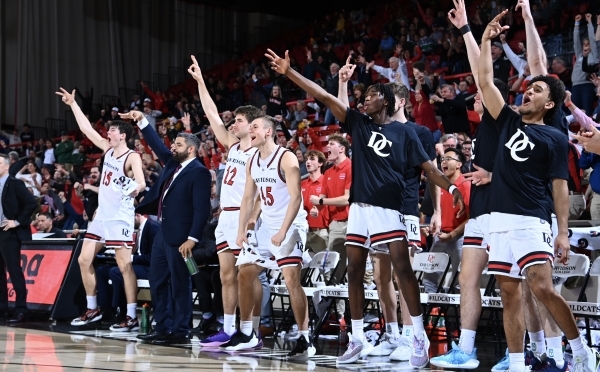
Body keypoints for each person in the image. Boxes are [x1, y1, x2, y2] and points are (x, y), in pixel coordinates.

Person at [264, 48, 464, 368]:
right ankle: (358, 337)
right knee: (355, 272)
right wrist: (289, 72)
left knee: (402, 269)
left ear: (385, 101)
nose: (363, 100)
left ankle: (417, 335)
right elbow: (323, 96)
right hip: (359, 208)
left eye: (369, 95)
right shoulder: (358, 123)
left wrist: (452, 188)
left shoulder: (407, 133)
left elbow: (429, 169)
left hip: (389, 208)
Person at [479, 10, 598, 372]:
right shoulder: (508, 120)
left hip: (532, 217)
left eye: (537, 90)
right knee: (509, 294)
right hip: (498, 217)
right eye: (528, 88)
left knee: (542, 288)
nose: (528, 91)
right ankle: (518, 363)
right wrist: (484, 40)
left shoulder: (555, 136)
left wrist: (562, 231)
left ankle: (580, 351)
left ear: (549, 105)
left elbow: (561, 187)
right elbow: (485, 82)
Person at [187, 56, 265, 348]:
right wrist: (200, 82)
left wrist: (252, 219)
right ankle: (230, 329)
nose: (233, 123)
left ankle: (252, 330)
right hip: (225, 216)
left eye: (239, 121)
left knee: (248, 276)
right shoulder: (232, 145)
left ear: (252, 126)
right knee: (225, 275)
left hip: (245, 219)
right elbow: (211, 115)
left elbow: (262, 192)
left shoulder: (261, 153)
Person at [56, 88, 146, 331]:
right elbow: (86, 129)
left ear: (123, 135)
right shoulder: (107, 149)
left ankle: (131, 315)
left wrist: (133, 188)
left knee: (124, 265)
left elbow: (142, 183)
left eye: (113, 130)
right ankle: (93, 308)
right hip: (102, 217)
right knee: (84, 259)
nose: (109, 132)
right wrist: (73, 104)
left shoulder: (132, 157)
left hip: (120, 217)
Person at [233, 115, 315, 359]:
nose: (251, 130)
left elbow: (296, 198)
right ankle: (249, 332)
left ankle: (304, 338)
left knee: (291, 280)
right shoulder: (252, 160)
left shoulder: (286, 157)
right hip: (267, 225)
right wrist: (241, 231)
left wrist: (282, 231)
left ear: (268, 131)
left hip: (291, 224)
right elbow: (248, 198)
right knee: (245, 272)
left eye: (255, 126)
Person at [129, 109, 211, 345]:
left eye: (178, 144)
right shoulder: (172, 165)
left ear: (191, 149)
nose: (172, 147)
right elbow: (156, 145)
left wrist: (193, 238)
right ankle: (162, 327)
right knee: (157, 282)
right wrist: (142, 121)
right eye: (173, 144)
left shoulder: (200, 172)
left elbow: (201, 209)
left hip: (182, 238)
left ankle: (181, 330)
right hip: (163, 234)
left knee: (180, 284)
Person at [96, 213, 159, 325]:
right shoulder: (140, 229)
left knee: (116, 272)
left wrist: (130, 257)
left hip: (150, 269)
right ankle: (106, 311)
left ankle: (121, 311)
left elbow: (152, 258)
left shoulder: (153, 228)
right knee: (102, 270)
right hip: (140, 265)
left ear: (137, 215)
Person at [0, 153, 38, 323]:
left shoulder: (15, 183)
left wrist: (17, 222)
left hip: (9, 232)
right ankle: (2, 308)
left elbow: (32, 203)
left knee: (14, 272)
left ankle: (21, 309)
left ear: (6, 166)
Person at [301, 150, 329, 253]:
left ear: (320, 163)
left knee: (324, 267)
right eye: (307, 160)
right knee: (303, 268)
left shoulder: (327, 182)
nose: (308, 162)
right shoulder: (302, 184)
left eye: (312, 159)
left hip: (320, 231)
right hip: (303, 232)